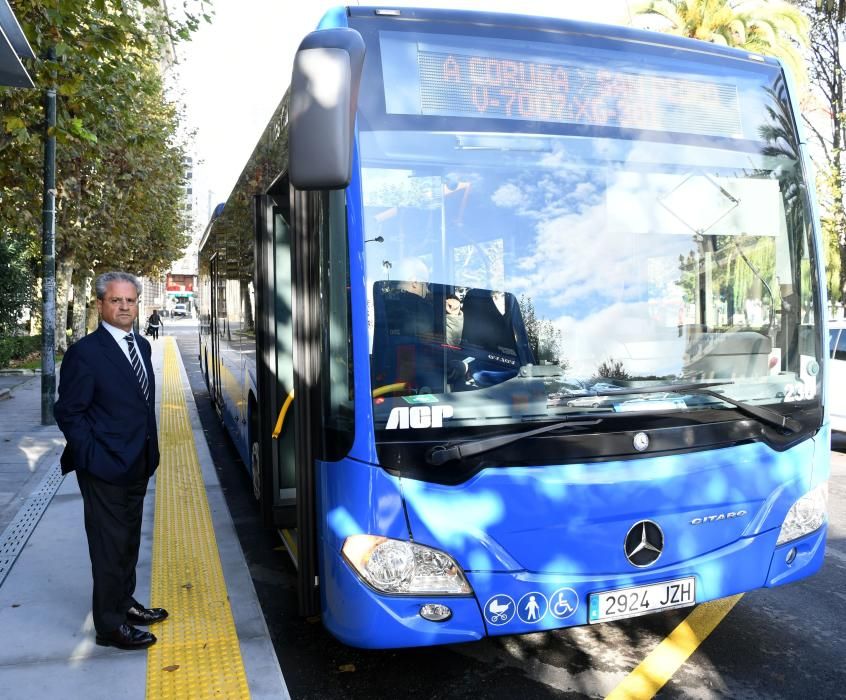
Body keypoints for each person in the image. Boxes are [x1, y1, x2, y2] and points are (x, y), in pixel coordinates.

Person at [54, 271, 168, 651]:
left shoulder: (142, 346)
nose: (124, 307)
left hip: (139, 461)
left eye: (130, 301)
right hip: (103, 468)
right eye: (116, 300)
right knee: (108, 547)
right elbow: (69, 412)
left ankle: (124, 602)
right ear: (100, 304)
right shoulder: (85, 353)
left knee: (128, 540)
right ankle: (109, 625)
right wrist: (93, 458)